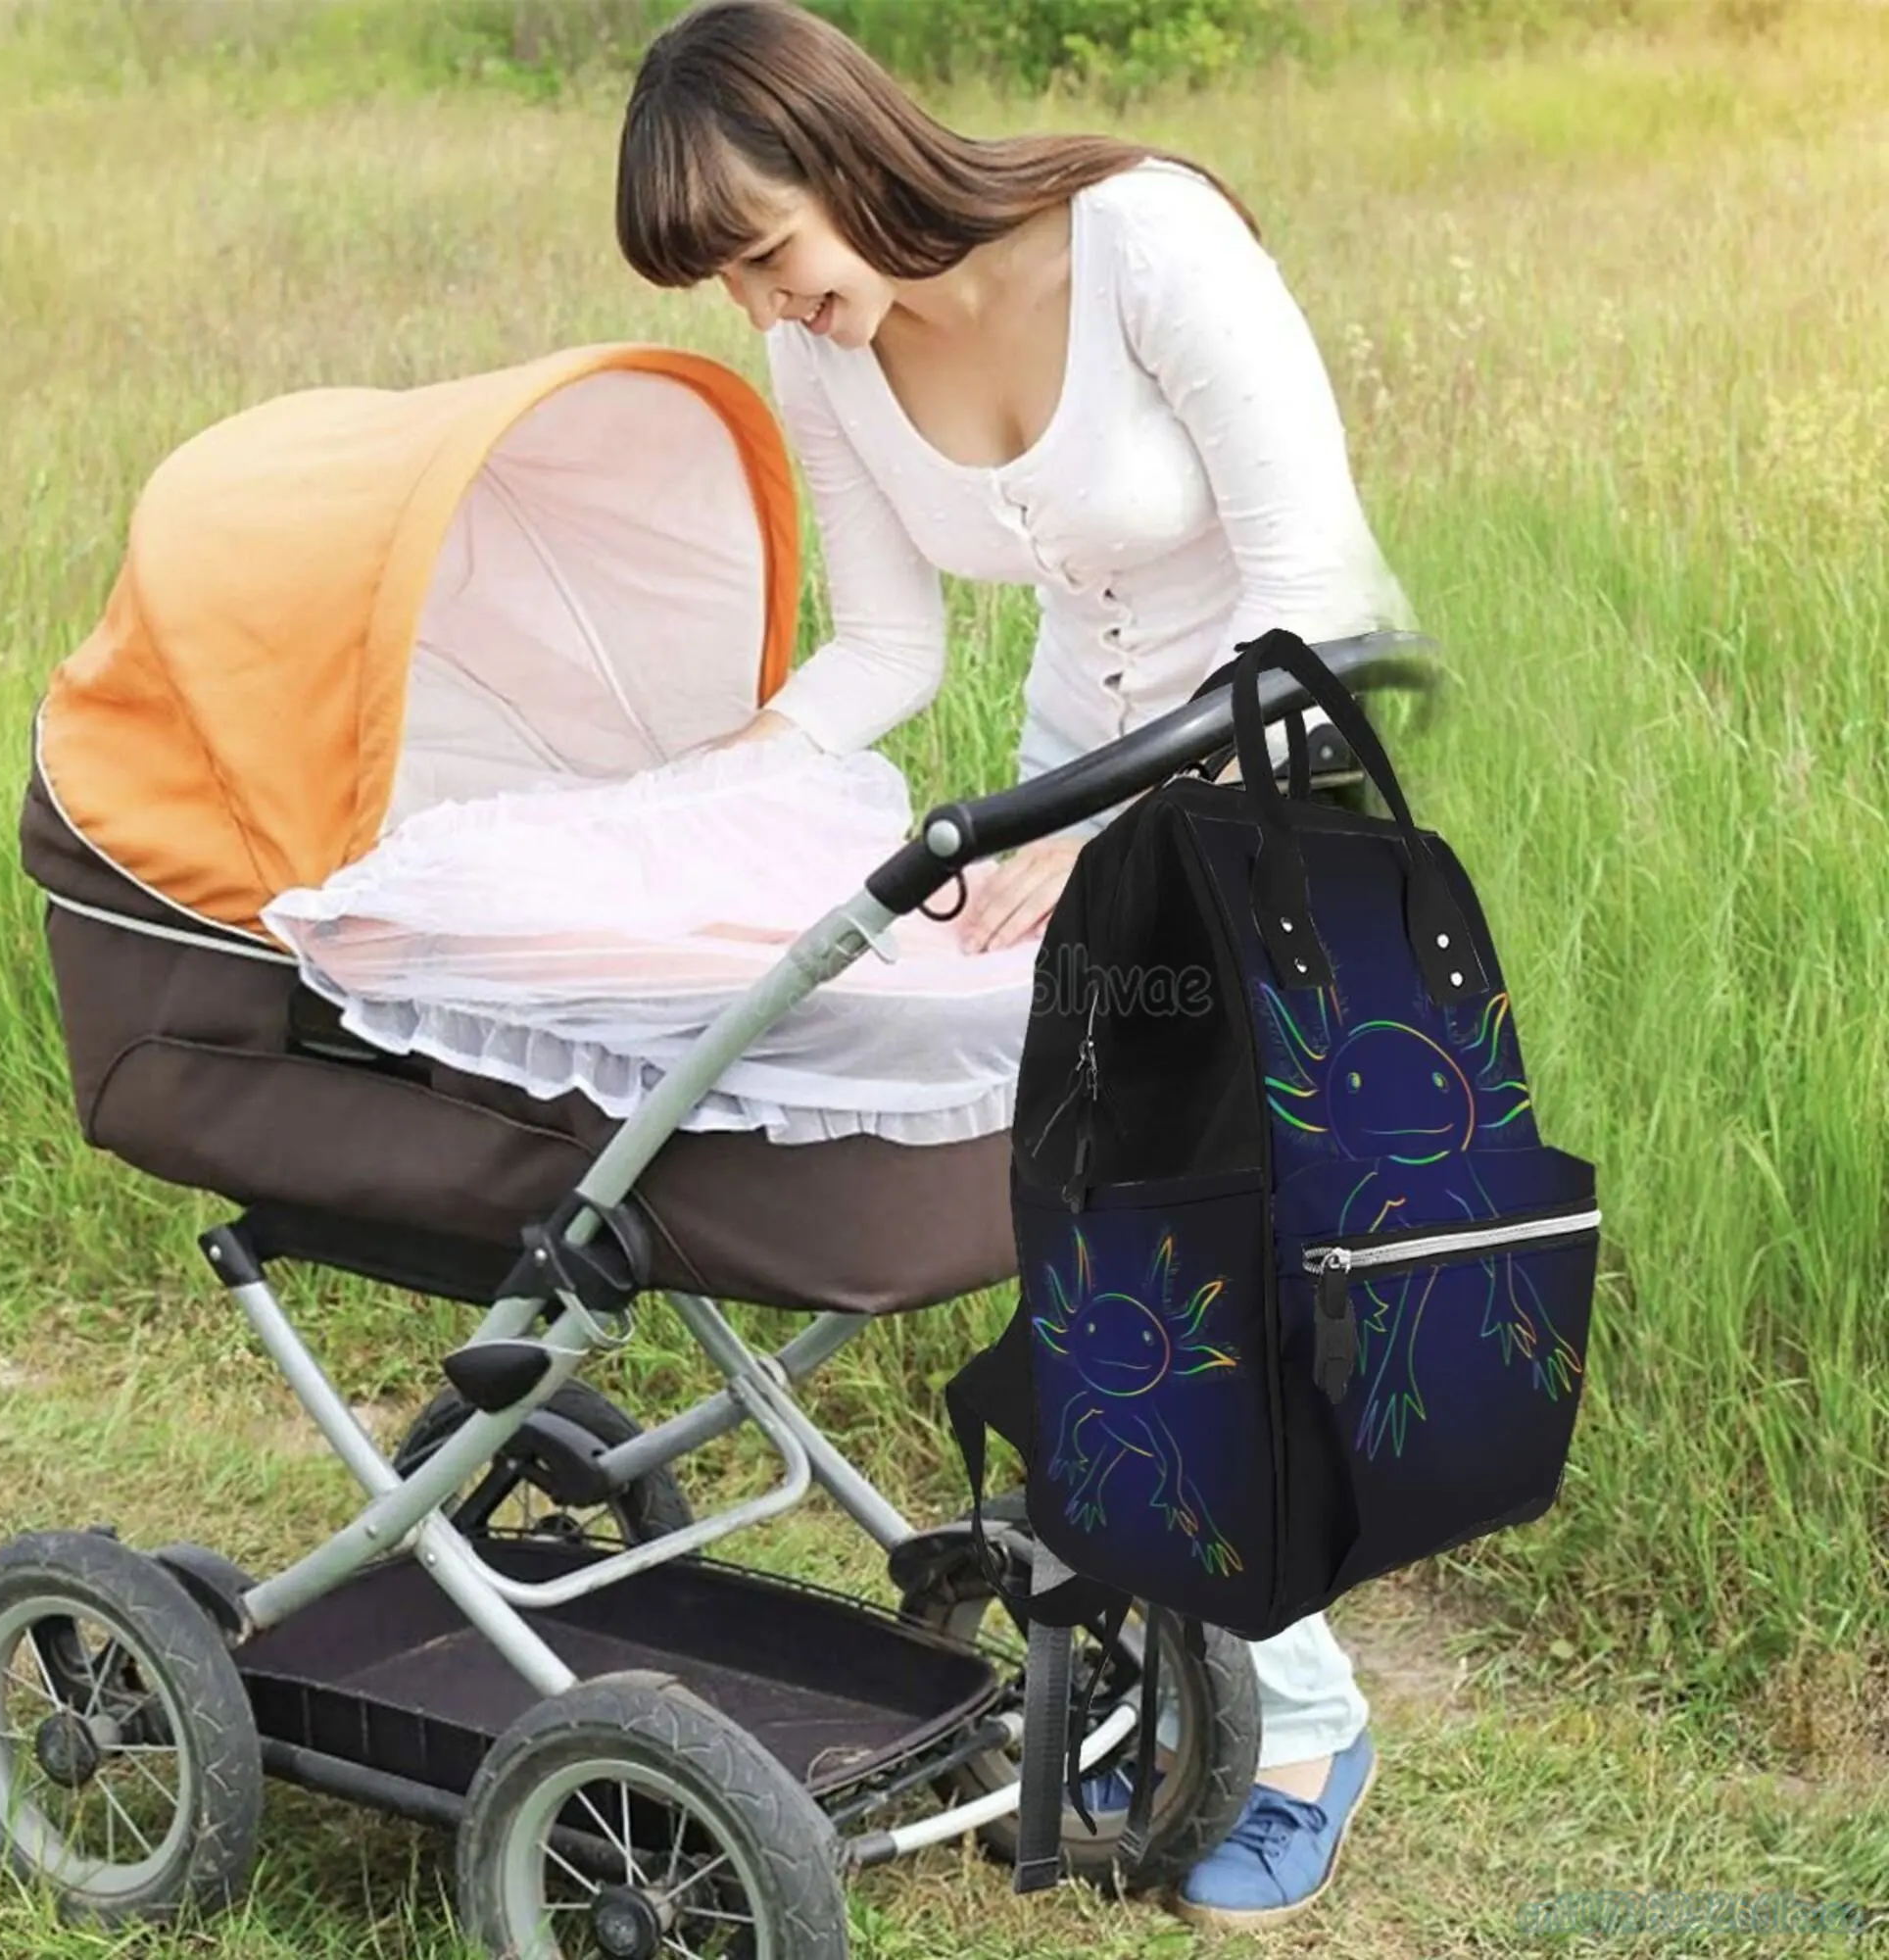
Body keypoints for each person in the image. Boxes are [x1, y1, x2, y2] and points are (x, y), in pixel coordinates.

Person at [616, 0, 1408, 1927]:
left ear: (847, 152)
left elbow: (1311, 586)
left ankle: (1298, 1724)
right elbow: (882, 654)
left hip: (1283, 764)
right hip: (1072, 798)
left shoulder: (1144, 238)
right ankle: (1196, 1680)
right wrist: (687, 799)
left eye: (764, 253)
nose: (763, 307)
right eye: (720, 282)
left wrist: (1075, 835)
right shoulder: (834, 353)